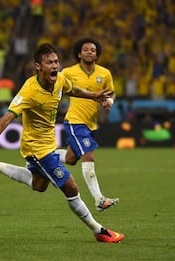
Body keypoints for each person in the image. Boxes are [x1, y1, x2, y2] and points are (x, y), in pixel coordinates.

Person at [0, 43, 124, 243]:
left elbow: (71, 89)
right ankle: (99, 231)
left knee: (39, 185)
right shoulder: (30, 90)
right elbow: (7, 117)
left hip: (48, 143)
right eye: (49, 62)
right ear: (38, 67)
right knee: (71, 188)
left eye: (56, 62)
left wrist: (93, 96)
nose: (54, 66)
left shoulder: (59, 79)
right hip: (36, 148)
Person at [55, 37, 119, 211]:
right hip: (75, 121)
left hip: (91, 124)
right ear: (79, 54)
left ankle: (44, 156)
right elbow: (54, 86)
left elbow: (111, 93)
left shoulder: (104, 73)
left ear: (96, 54)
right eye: (86, 49)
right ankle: (99, 199)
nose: (90, 52)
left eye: (93, 50)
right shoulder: (68, 73)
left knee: (70, 159)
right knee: (88, 156)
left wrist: (109, 102)